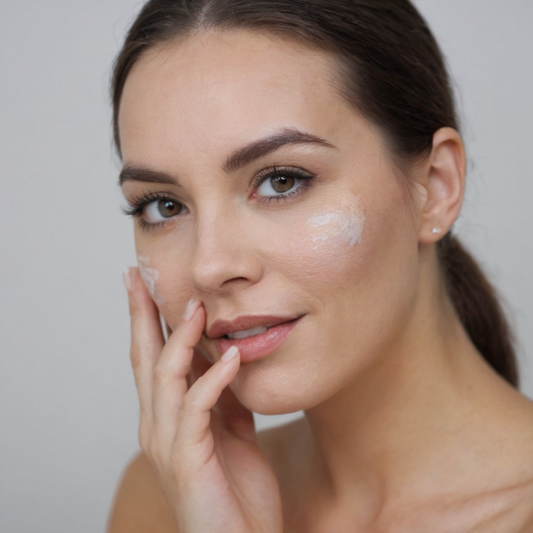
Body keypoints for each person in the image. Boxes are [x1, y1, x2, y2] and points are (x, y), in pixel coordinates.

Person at [106, 1, 533, 531]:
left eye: (281, 180)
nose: (209, 266)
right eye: (164, 206)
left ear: (436, 188)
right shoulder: (167, 502)